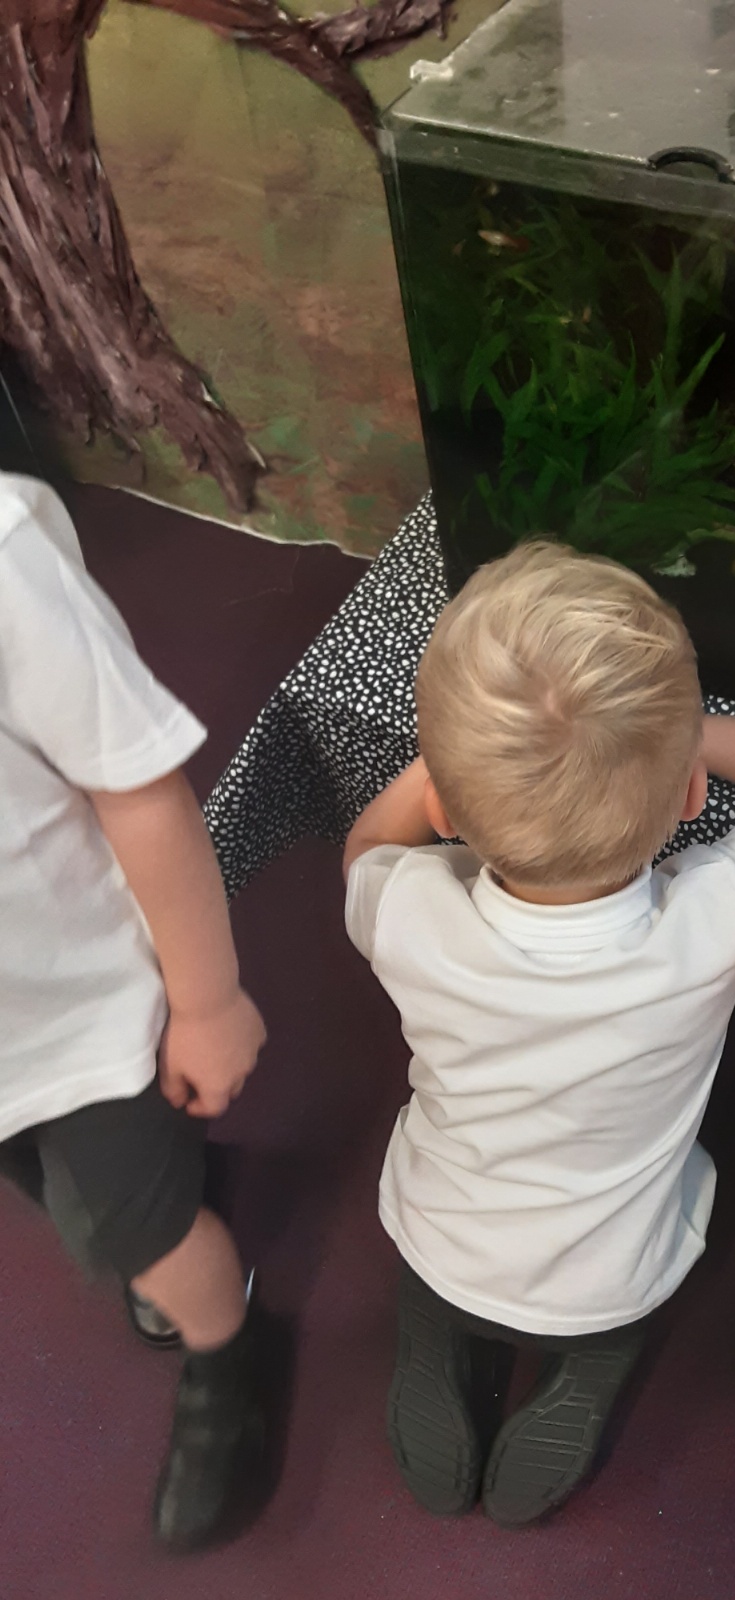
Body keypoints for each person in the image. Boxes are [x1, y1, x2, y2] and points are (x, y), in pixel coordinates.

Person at [342, 540, 735, 1527]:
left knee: (434, 1281)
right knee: (613, 1315)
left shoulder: (403, 911)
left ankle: (433, 1342)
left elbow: (369, 842)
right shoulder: (718, 916)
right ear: (693, 798)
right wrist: (670, 736)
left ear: (445, 806)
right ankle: (588, 1373)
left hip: (441, 1235)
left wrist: (462, 759)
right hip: (611, 1276)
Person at [0, 473, 272, 1552]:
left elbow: (139, 787)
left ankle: (228, 1348)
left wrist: (206, 999)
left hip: (77, 1019)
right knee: (52, 1187)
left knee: (143, 1234)